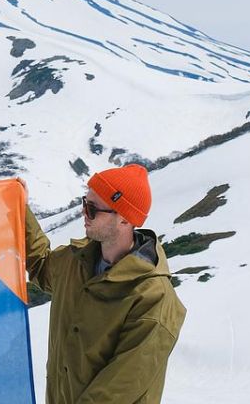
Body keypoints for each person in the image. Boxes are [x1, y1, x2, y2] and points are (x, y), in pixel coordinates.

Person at [26, 164, 186, 404]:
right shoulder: (76, 261)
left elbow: (112, 395)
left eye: (92, 209)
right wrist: (20, 209)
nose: (83, 213)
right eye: (84, 203)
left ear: (124, 219)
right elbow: (41, 265)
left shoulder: (153, 299)